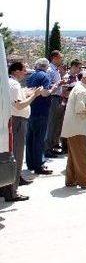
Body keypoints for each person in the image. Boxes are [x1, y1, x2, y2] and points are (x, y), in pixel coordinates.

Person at [1, 62, 43, 202]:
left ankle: (9, 188)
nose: (26, 73)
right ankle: (12, 192)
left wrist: (27, 92)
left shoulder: (11, 83)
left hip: (16, 121)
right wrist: (35, 95)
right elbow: (19, 106)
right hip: (17, 122)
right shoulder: (14, 85)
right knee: (17, 157)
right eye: (24, 70)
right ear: (16, 71)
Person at [26, 58, 56, 175]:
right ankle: (39, 165)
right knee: (39, 139)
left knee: (31, 138)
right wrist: (53, 89)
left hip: (31, 110)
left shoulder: (31, 76)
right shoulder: (45, 76)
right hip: (41, 110)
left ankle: (31, 163)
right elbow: (44, 92)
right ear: (46, 66)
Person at [44, 50, 65, 158]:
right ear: (54, 58)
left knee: (56, 123)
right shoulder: (49, 70)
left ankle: (52, 146)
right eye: (60, 57)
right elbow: (47, 85)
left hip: (58, 98)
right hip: (52, 98)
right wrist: (59, 83)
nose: (62, 59)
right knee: (51, 123)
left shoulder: (55, 70)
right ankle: (47, 149)